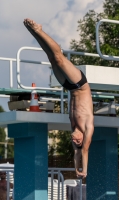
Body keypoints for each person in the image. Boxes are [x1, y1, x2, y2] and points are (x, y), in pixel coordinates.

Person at [24, 18, 94, 178]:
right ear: (83, 137)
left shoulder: (73, 126)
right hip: (80, 85)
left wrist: (76, 170)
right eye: (78, 141)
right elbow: (84, 150)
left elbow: (76, 152)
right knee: (59, 58)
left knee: (51, 59)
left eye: (75, 143)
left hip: (69, 87)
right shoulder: (87, 127)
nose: (76, 142)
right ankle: (39, 30)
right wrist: (85, 171)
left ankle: (34, 33)